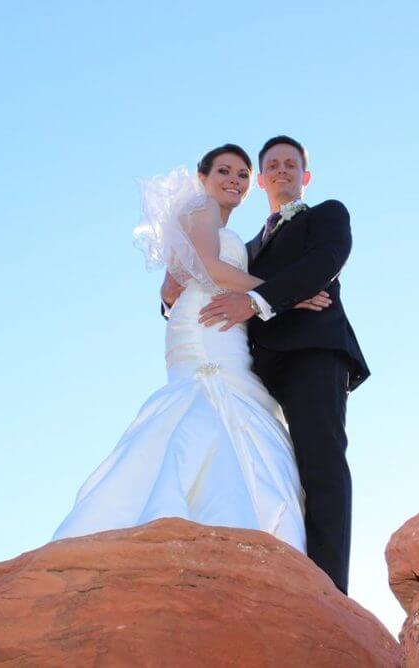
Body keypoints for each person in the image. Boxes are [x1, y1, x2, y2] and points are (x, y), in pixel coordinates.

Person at [53, 144, 328, 554]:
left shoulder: (230, 230)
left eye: (241, 175)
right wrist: (287, 294)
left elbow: (177, 282)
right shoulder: (198, 211)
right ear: (202, 178)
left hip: (224, 324)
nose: (233, 181)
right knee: (205, 406)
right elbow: (212, 269)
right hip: (205, 327)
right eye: (224, 171)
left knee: (233, 414)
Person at [164, 136, 369, 594]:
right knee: (269, 469)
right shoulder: (249, 244)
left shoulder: (326, 215)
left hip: (313, 353)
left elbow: (323, 263)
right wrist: (176, 300)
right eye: (271, 165)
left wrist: (261, 298)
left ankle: (330, 590)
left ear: (305, 175)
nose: (281, 170)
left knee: (321, 463)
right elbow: (199, 275)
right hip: (256, 367)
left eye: (290, 164)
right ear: (261, 180)